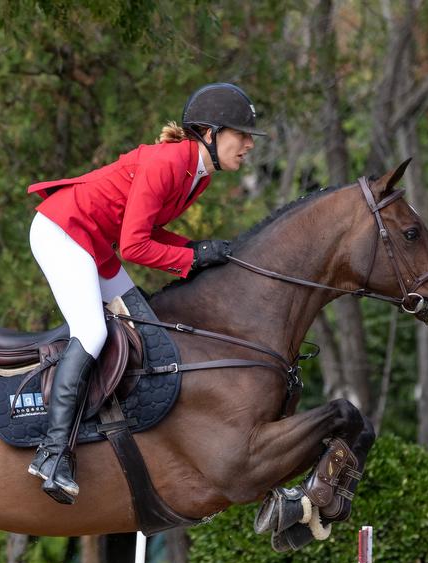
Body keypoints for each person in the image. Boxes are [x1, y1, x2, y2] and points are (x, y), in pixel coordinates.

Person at [25, 82, 265, 504]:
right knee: (93, 332)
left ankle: (117, 426)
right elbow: (135, 246)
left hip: (94, 242)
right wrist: (191, 259)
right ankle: (52, 452)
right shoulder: (169, 163)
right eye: (240, 134)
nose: (248, 144)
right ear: (209, 132)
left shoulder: (197, 174)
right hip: (63, 231)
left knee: (146, 328)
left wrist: (196, 248)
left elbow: (148, 229)